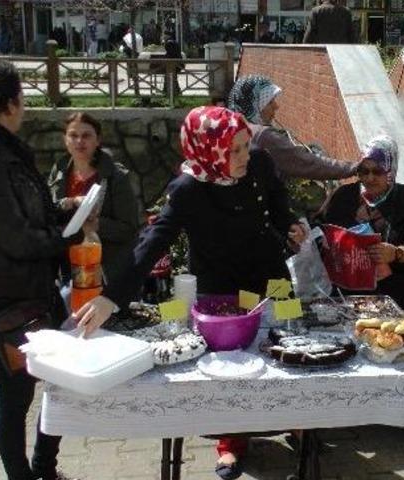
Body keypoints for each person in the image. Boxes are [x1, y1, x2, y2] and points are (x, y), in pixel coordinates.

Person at [74, 107, 307, 480]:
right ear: (209, 150)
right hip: (221, 287)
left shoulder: (260, 163)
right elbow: (151, 243)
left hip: (271, 275)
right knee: (230, 363)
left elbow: (278, 204)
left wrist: (291, 224)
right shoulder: (188, 190)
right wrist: (110, 297)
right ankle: (231, 442)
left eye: (245, 146)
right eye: (235, 150)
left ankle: (298, 422)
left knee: (290, 342)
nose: (246, 156)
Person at [0, 59, 86, 480]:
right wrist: (67, 238)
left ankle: (45, 468)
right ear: (9, 104)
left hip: (37, 291)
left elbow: (31, 212)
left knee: (61, 385)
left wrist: (68, 208)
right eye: (22, 95)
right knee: (15, 401)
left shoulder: (5, 150)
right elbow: (18, 239)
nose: (25, 103)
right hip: (9, 302)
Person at [321, 135, 404, 316]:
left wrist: (398, 253)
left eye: (377, 171)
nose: (370, 178)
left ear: (391, 171)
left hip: (401, 300)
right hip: (352, 302)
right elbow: (320, 230)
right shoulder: (343, 197)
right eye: (364, 171)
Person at [48, 113, 140, 287]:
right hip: (66, 266)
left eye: (86, 135)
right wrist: (69, 202)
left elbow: (129, 229)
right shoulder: (59, 171)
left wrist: (96, 225)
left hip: (105, 270)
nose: (79, 141)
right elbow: (47, 211)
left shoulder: (116, 177)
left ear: (98, 140)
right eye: (73, 135)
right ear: (65, 140)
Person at [227, 75, 357, 182]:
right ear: (255, 105)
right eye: (270, 102)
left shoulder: (230, 129)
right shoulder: (262, 136)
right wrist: (354, 168)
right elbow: (307, 163)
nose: (276, 106)